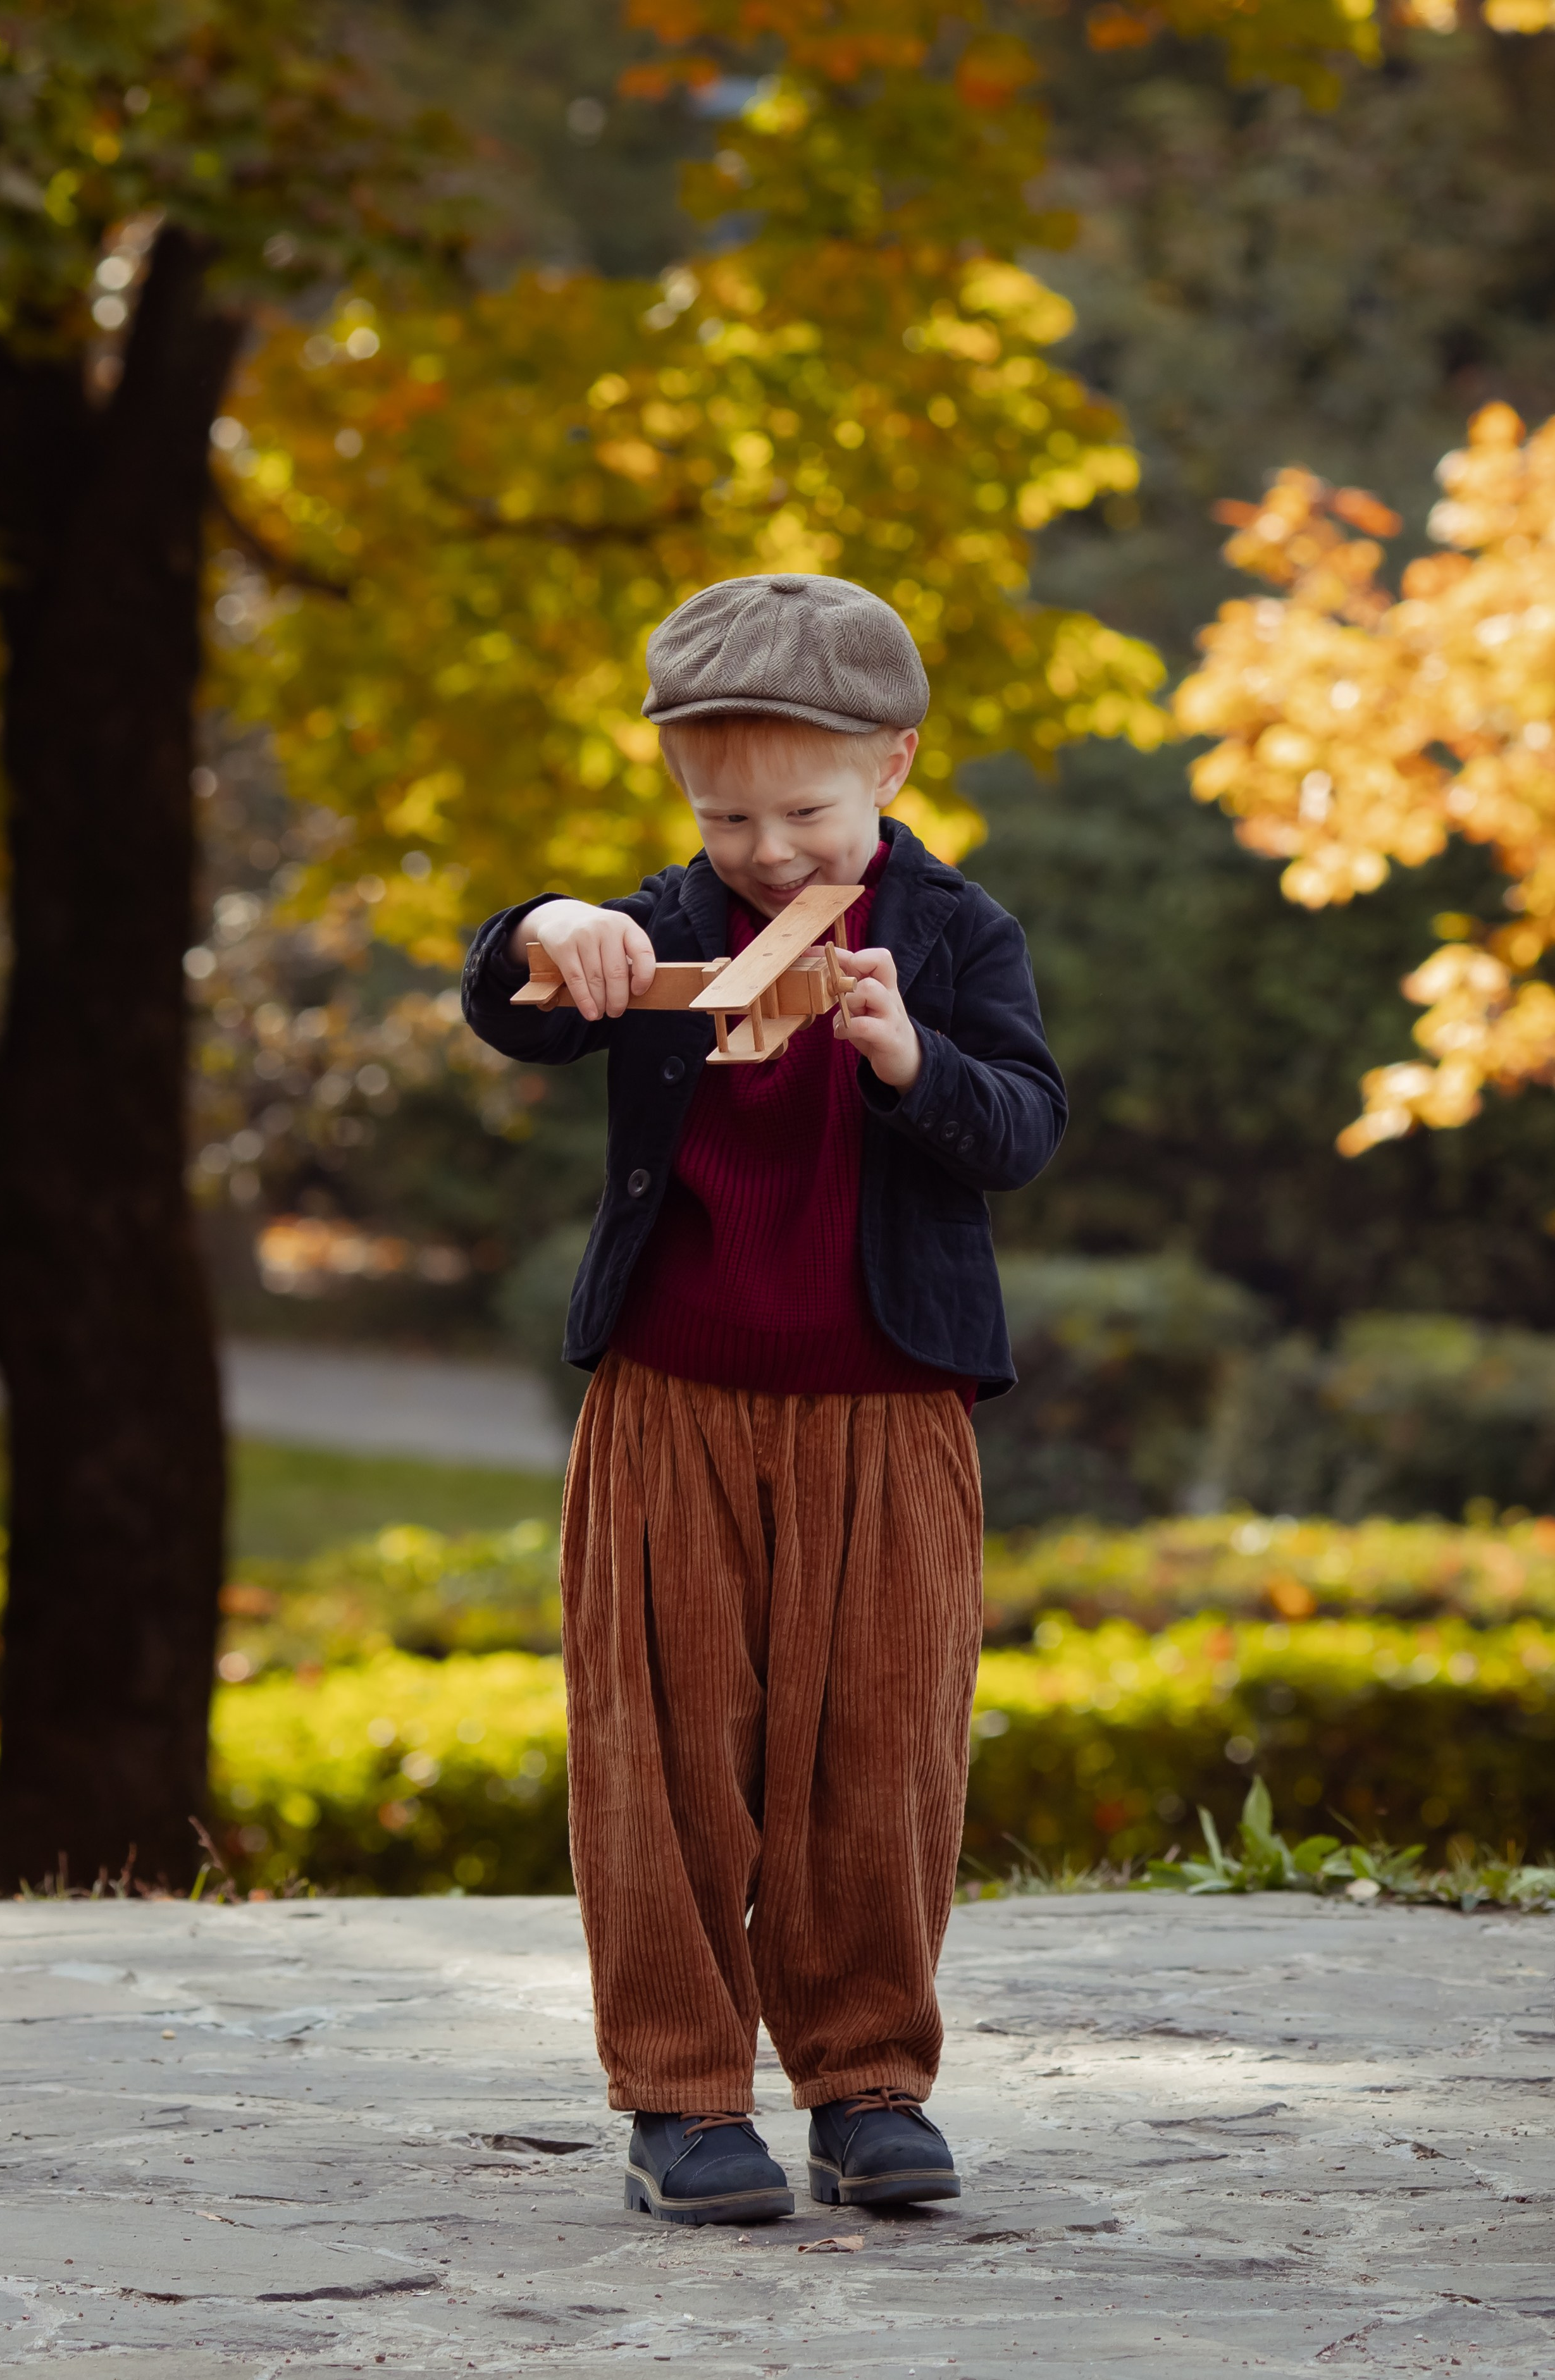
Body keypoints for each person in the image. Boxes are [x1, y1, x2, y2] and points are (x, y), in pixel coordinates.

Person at [462, 572, 1066, 2226]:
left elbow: (1022, 1126)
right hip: (675, 1402)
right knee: (658, 1749)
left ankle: (869, 2076)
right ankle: (681, 2092)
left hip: (888, 1404)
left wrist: (907, 1061)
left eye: (803, 807)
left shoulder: (957, 935)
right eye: (723, 812)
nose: (766, 849)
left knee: (880, 1749)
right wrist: (545, 928)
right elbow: (513, 1006)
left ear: (897, 762)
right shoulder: (666, 916)